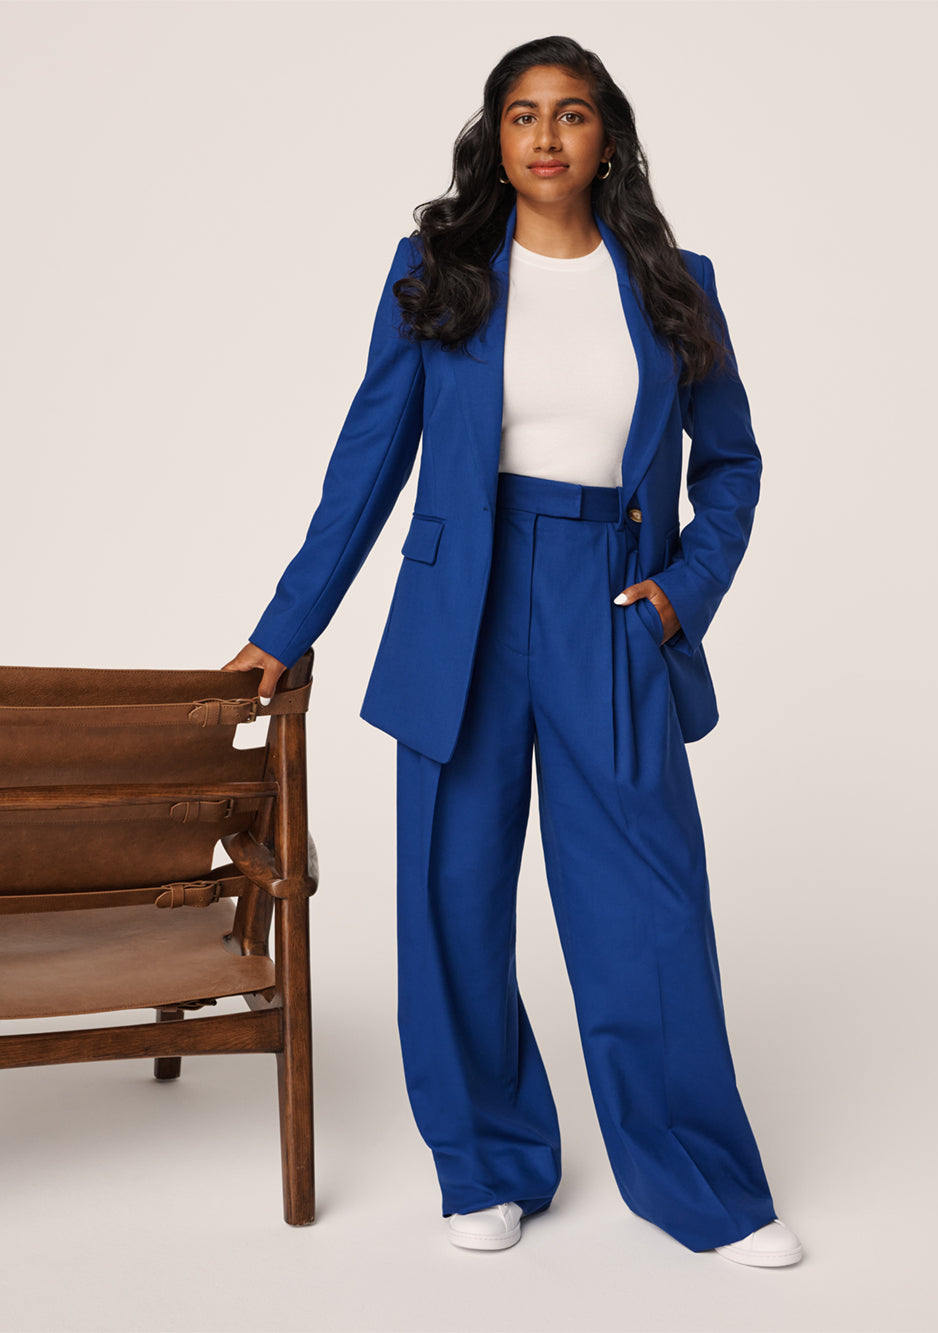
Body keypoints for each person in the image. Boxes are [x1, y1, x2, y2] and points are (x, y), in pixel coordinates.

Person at [223, 35, 804, 1267]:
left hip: (611, 604)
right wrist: (285, 626)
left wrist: (680, 594)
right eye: (523, 114)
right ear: (495, 139)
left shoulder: (675, 284)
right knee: (452, 899)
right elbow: (367, 460)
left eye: (571, 114)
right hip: (461, 613)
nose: (546, 135)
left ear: (608, 139)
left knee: (647, 906)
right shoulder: (437, 273)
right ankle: (486, 1162)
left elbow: (732, 466)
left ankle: (701, 1183)